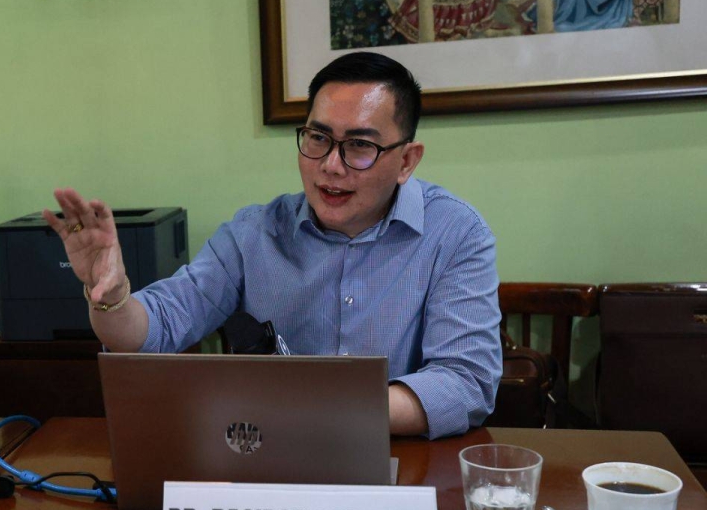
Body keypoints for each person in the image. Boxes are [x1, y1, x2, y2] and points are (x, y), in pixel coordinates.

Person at [44, 52, 501, 439]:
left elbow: (466, 383)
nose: (331, 167)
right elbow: (157, 328)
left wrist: (322, 413)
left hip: (399, 468)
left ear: (406, 160)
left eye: (360, 146)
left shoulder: (456, 233)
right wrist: (112, 294)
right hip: (271, 464)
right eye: (318, 138)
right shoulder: (254, 234)